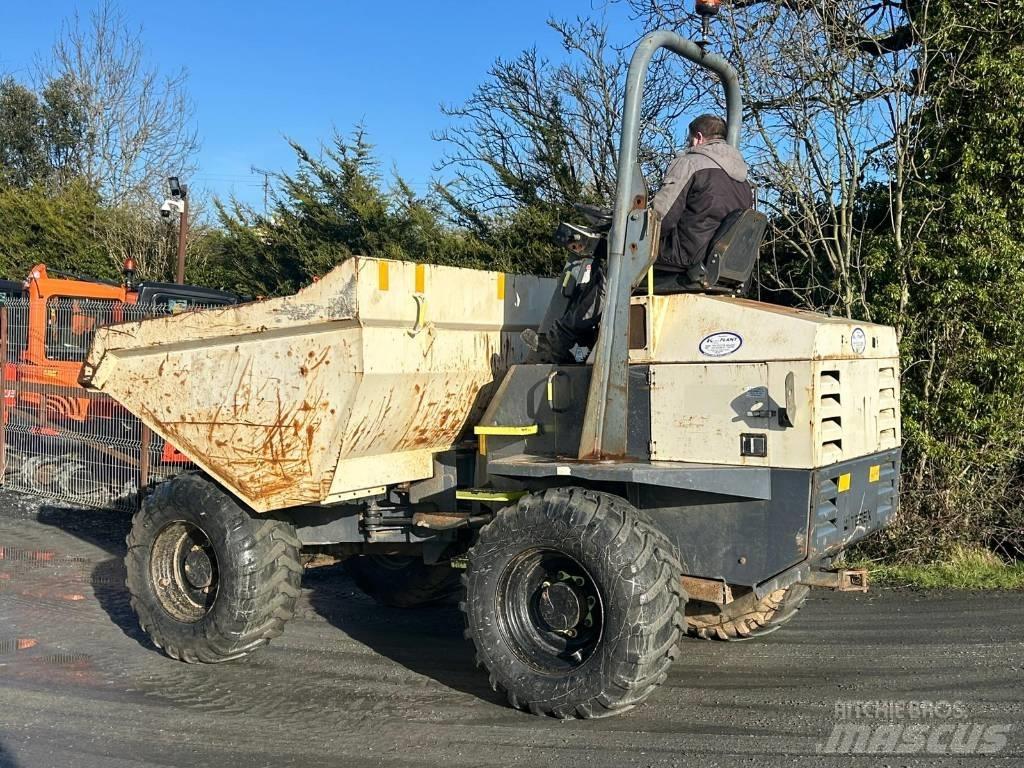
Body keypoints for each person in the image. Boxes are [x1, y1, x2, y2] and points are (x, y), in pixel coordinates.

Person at [525, 114, 752, 363]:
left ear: (698, 138)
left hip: (684, 257)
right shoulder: (742, 180)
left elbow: (660, 219)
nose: (688, 144)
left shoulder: (692, 164)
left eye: (689, 139)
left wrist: (625, 229)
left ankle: (561, 341)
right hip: (714, 262)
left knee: (613, 265)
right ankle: (586, 345)